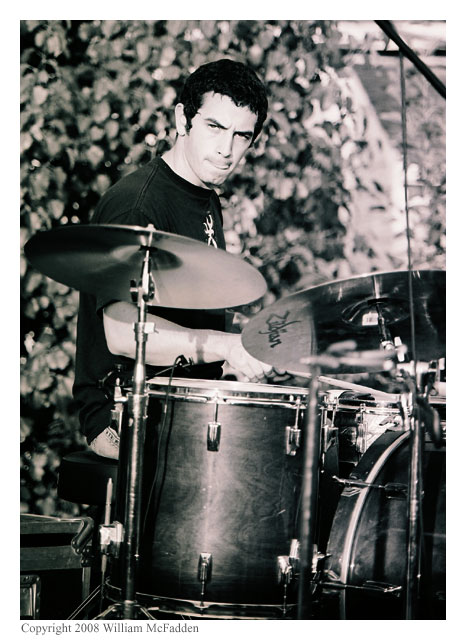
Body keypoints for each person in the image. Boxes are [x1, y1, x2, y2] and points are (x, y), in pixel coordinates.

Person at [72, 58, 272, 459]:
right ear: (183, 119)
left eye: (241, 136)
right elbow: (122, 332)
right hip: (124, 413)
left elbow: (190, 314)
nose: (226, 150)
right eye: (215, 127)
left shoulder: (205, 197)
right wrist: (227, 346)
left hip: (188, 401)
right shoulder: (137, 206)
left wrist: (256, 340)